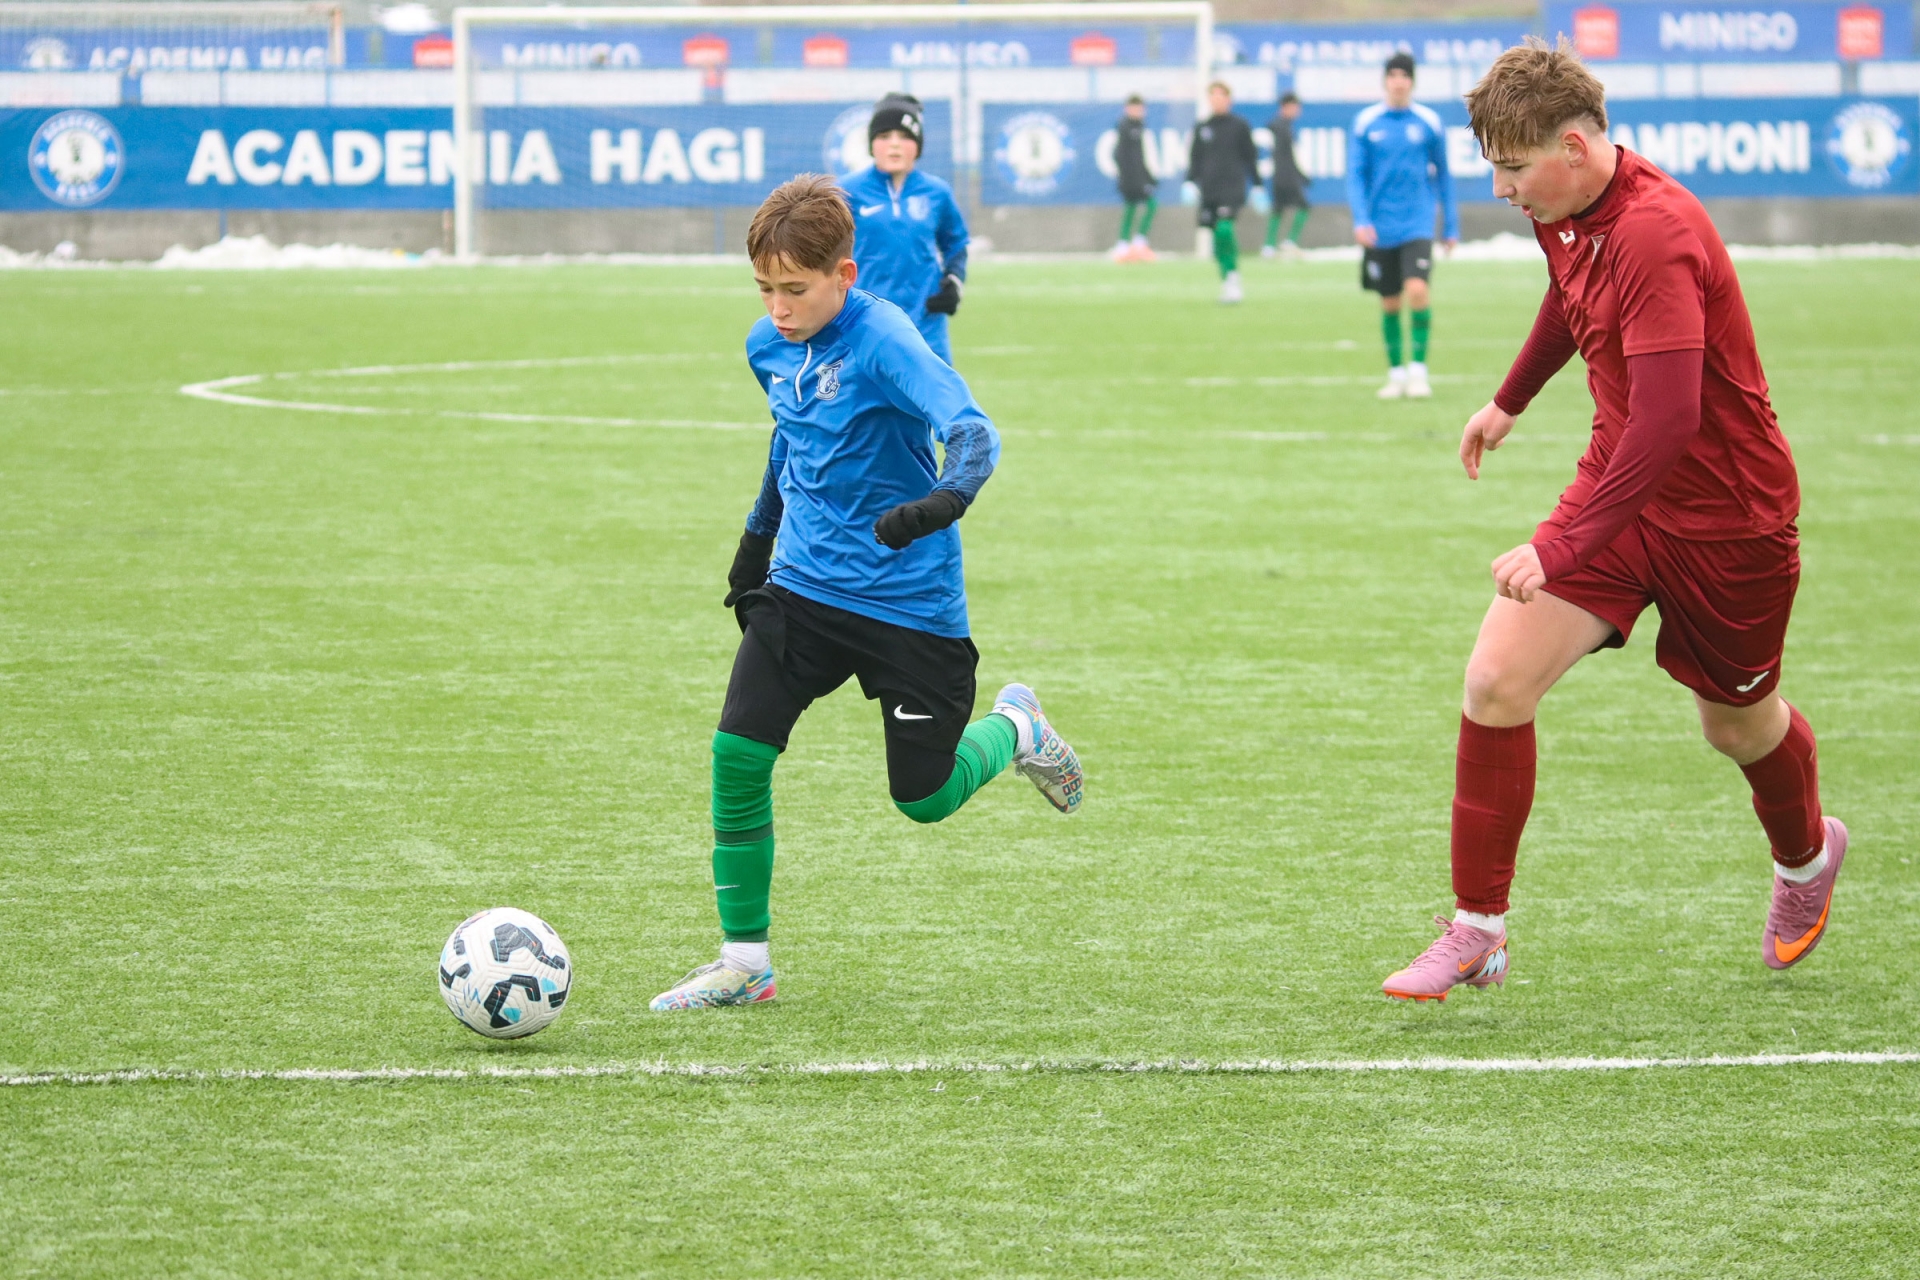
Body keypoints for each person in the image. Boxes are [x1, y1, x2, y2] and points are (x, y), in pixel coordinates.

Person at [1381, 39, 1841, 1002]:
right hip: (1621, 493)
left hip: (1730, 521)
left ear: (1576, 147)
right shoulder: (1567, 210)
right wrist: (1509, 400)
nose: (1502, 190)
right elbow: (1568, 297)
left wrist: (1558, 546)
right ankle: (1478, 930)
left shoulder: (1656, 232)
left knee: (1737, 726)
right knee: (1496, 681)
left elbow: (1669, 422)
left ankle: (1806, 859)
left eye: (1514, 168)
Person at [651, 175, 1084, 1012]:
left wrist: (939, 504)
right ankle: (745, 963)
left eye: (795, 289)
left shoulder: (885, 338)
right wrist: (755, 543)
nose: (778, 309)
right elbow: (790, 440)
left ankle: (1017, 728)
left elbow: (974, 432)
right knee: (738, 753)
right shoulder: (767, 345)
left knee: (923, 797)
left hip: (908, 599)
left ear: (843, 276)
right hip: (804, 586)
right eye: (764, 288)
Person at [1348, 52, 1458, 400]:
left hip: (1417, 222)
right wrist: (1361, 219)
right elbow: (1356, 175)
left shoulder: (1428, 122)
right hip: (1381, 226)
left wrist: (1450, 225)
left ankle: (1418, 372)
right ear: (1385, 80)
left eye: (1404, 75)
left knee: (1417, 290)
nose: (1398, 81)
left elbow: (1444, 175)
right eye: (1393, 75)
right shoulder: (1366, 123)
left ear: (1412, 81)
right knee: (1390, 302)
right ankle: (1395, 373)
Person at [842, 94, 970, 364]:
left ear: (918, 144)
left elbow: (956, 243)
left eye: (904, 136)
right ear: (871, 143)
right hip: (864, 320)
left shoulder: (937, 192)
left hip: (925, 321)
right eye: (884, 135)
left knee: (935, 389)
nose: (894, 144)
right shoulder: (846, 191)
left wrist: (954, 281)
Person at [1186, 80, 1259, 304]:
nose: (1217, 100)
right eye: (1213, 96)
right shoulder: (1202, 127)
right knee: (1216, 240)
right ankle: (1227, 279)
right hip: (1209, 191)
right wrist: (1189, 182)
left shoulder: (1240, 126)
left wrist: (1257, 185)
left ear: (1229, 99)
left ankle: (1233, 277)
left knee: (1224, 230)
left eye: (1221, 96)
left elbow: (1250, 157)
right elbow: (1195, 158)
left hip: (1232, 189)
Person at [1261, 92, 1310, 259]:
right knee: (1303, 206)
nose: (1297, 110)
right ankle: (1289, 241)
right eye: (1295, 107)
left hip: (1281, 175)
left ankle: (1269, 245)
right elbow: (1286, 157)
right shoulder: (1281, 127)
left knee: (1278, 209)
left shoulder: (1282, 125)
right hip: (1285, 175)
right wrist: (1299, 176)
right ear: (1287, 107)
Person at [1111, 94, 1158, 262]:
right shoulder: (1127, 127)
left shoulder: (1139, 127)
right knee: (1148, 205)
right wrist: (1135, 177)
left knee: (1131, 208)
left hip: (1137, 177)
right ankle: (1136, 243)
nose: (1138, 111)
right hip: (1133, 179)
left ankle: (1125, 245)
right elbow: (1122, 155)